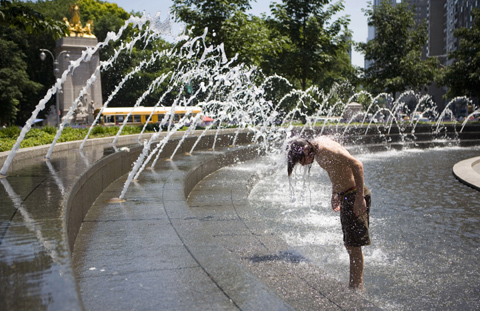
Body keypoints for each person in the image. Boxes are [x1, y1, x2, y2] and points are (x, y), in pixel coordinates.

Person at [287, 136, 371, 290]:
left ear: (305, 150)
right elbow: (336, 169)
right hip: (346, 195)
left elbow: (357, 164)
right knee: (349, 244)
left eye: (301, 160)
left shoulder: (326, 150)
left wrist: (360, 198)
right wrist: (335, 193)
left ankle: (357, 287)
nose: (303, 164)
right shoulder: (317, 149)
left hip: (354, 195)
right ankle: (355, 285)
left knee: (354, 245)